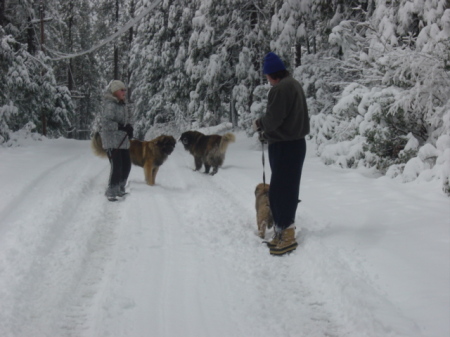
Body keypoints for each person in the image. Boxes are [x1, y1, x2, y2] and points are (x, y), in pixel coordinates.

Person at [252, 52, 310, 255]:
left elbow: (274, 119)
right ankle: (282, 231)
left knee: (281, 191)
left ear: (271, 74)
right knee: (287, 188)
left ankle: (286, 235)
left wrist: (260, 124)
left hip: (284, 146)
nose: (267, 80)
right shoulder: (294, 84)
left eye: (267, 75)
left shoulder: (280, 90)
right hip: (296, 144)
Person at [98, 80, 134, 201]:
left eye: (125, 90)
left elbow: (124, 122)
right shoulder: (110, 105)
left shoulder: (122, 105)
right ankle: (111, 191)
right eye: (122, 90)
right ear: (115, 91)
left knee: (127, 165)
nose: (125, 92)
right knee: (117, 166)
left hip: (122, 140)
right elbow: (106, 123)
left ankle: (120, 188)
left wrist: (129, 128)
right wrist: (121, 127)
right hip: (112, 141)